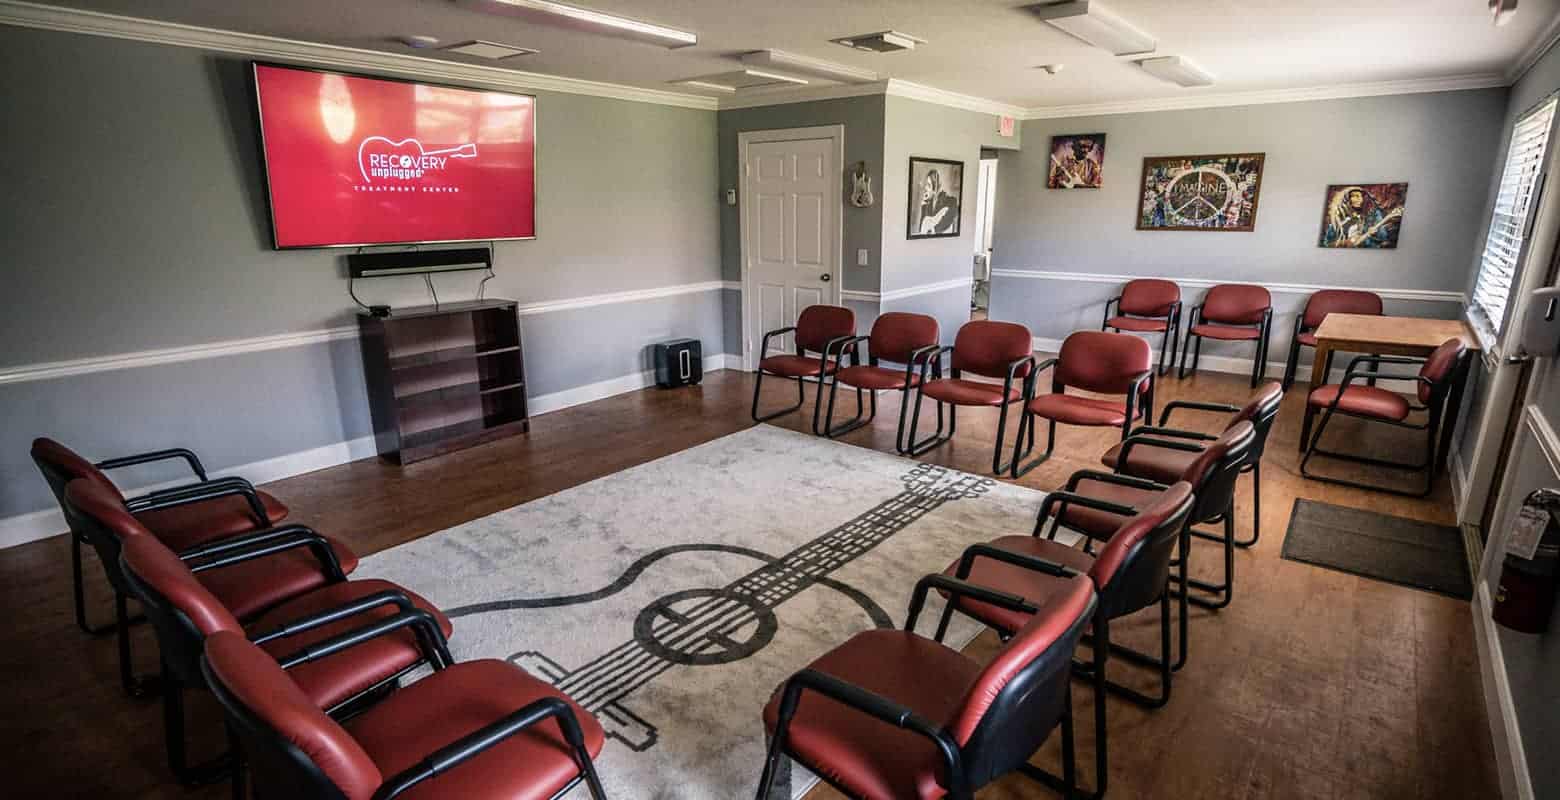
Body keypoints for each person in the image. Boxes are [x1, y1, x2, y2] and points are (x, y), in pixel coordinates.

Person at [1324, 186, 1400, 247]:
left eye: (1359, 196)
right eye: (1353, 196)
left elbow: (1383, 238)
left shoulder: (1373, 215)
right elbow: (1327, 243)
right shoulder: (1339, 219)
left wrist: (1373, 234)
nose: (1357, 199)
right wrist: (1346, 242)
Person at [916, 169, 958, 235]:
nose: (926, 188)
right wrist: (923, 207)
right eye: (926, 185)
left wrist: (934, 230)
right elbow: (923, 230)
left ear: (936, 187)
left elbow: (948, 220)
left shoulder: (951, 201)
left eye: (929, 185)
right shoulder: (929, 204)